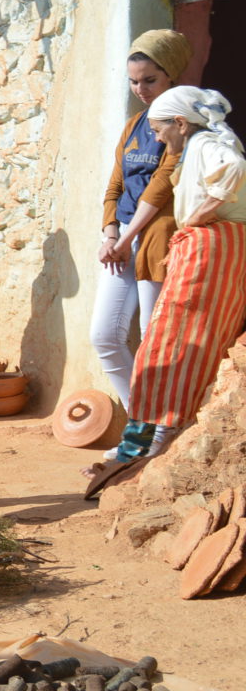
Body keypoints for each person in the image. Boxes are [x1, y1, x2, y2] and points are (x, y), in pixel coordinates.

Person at [108, 87, 246, 465]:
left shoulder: (203, 144)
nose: (156, 137)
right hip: (223, 248)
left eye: (158, 130)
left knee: (168, 345)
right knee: (197, 343)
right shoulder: (201, 144)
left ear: (180, 124)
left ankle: (150, 439)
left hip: (208, 248)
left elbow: (234, 167)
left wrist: (201, 215)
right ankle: (155, 437)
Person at [90, 30, 192, 429]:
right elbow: (115, 185)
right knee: (104, 337)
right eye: (133, 81)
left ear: (171, 76)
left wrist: (126, 238)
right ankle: (144, 423)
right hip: (121, 245)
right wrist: (110, 234)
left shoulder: (183, 124)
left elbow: (162, 184)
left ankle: (162, 432)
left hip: (157, 244)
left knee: (154, 340)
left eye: (149, 80)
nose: (140, 89)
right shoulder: (134, 124)